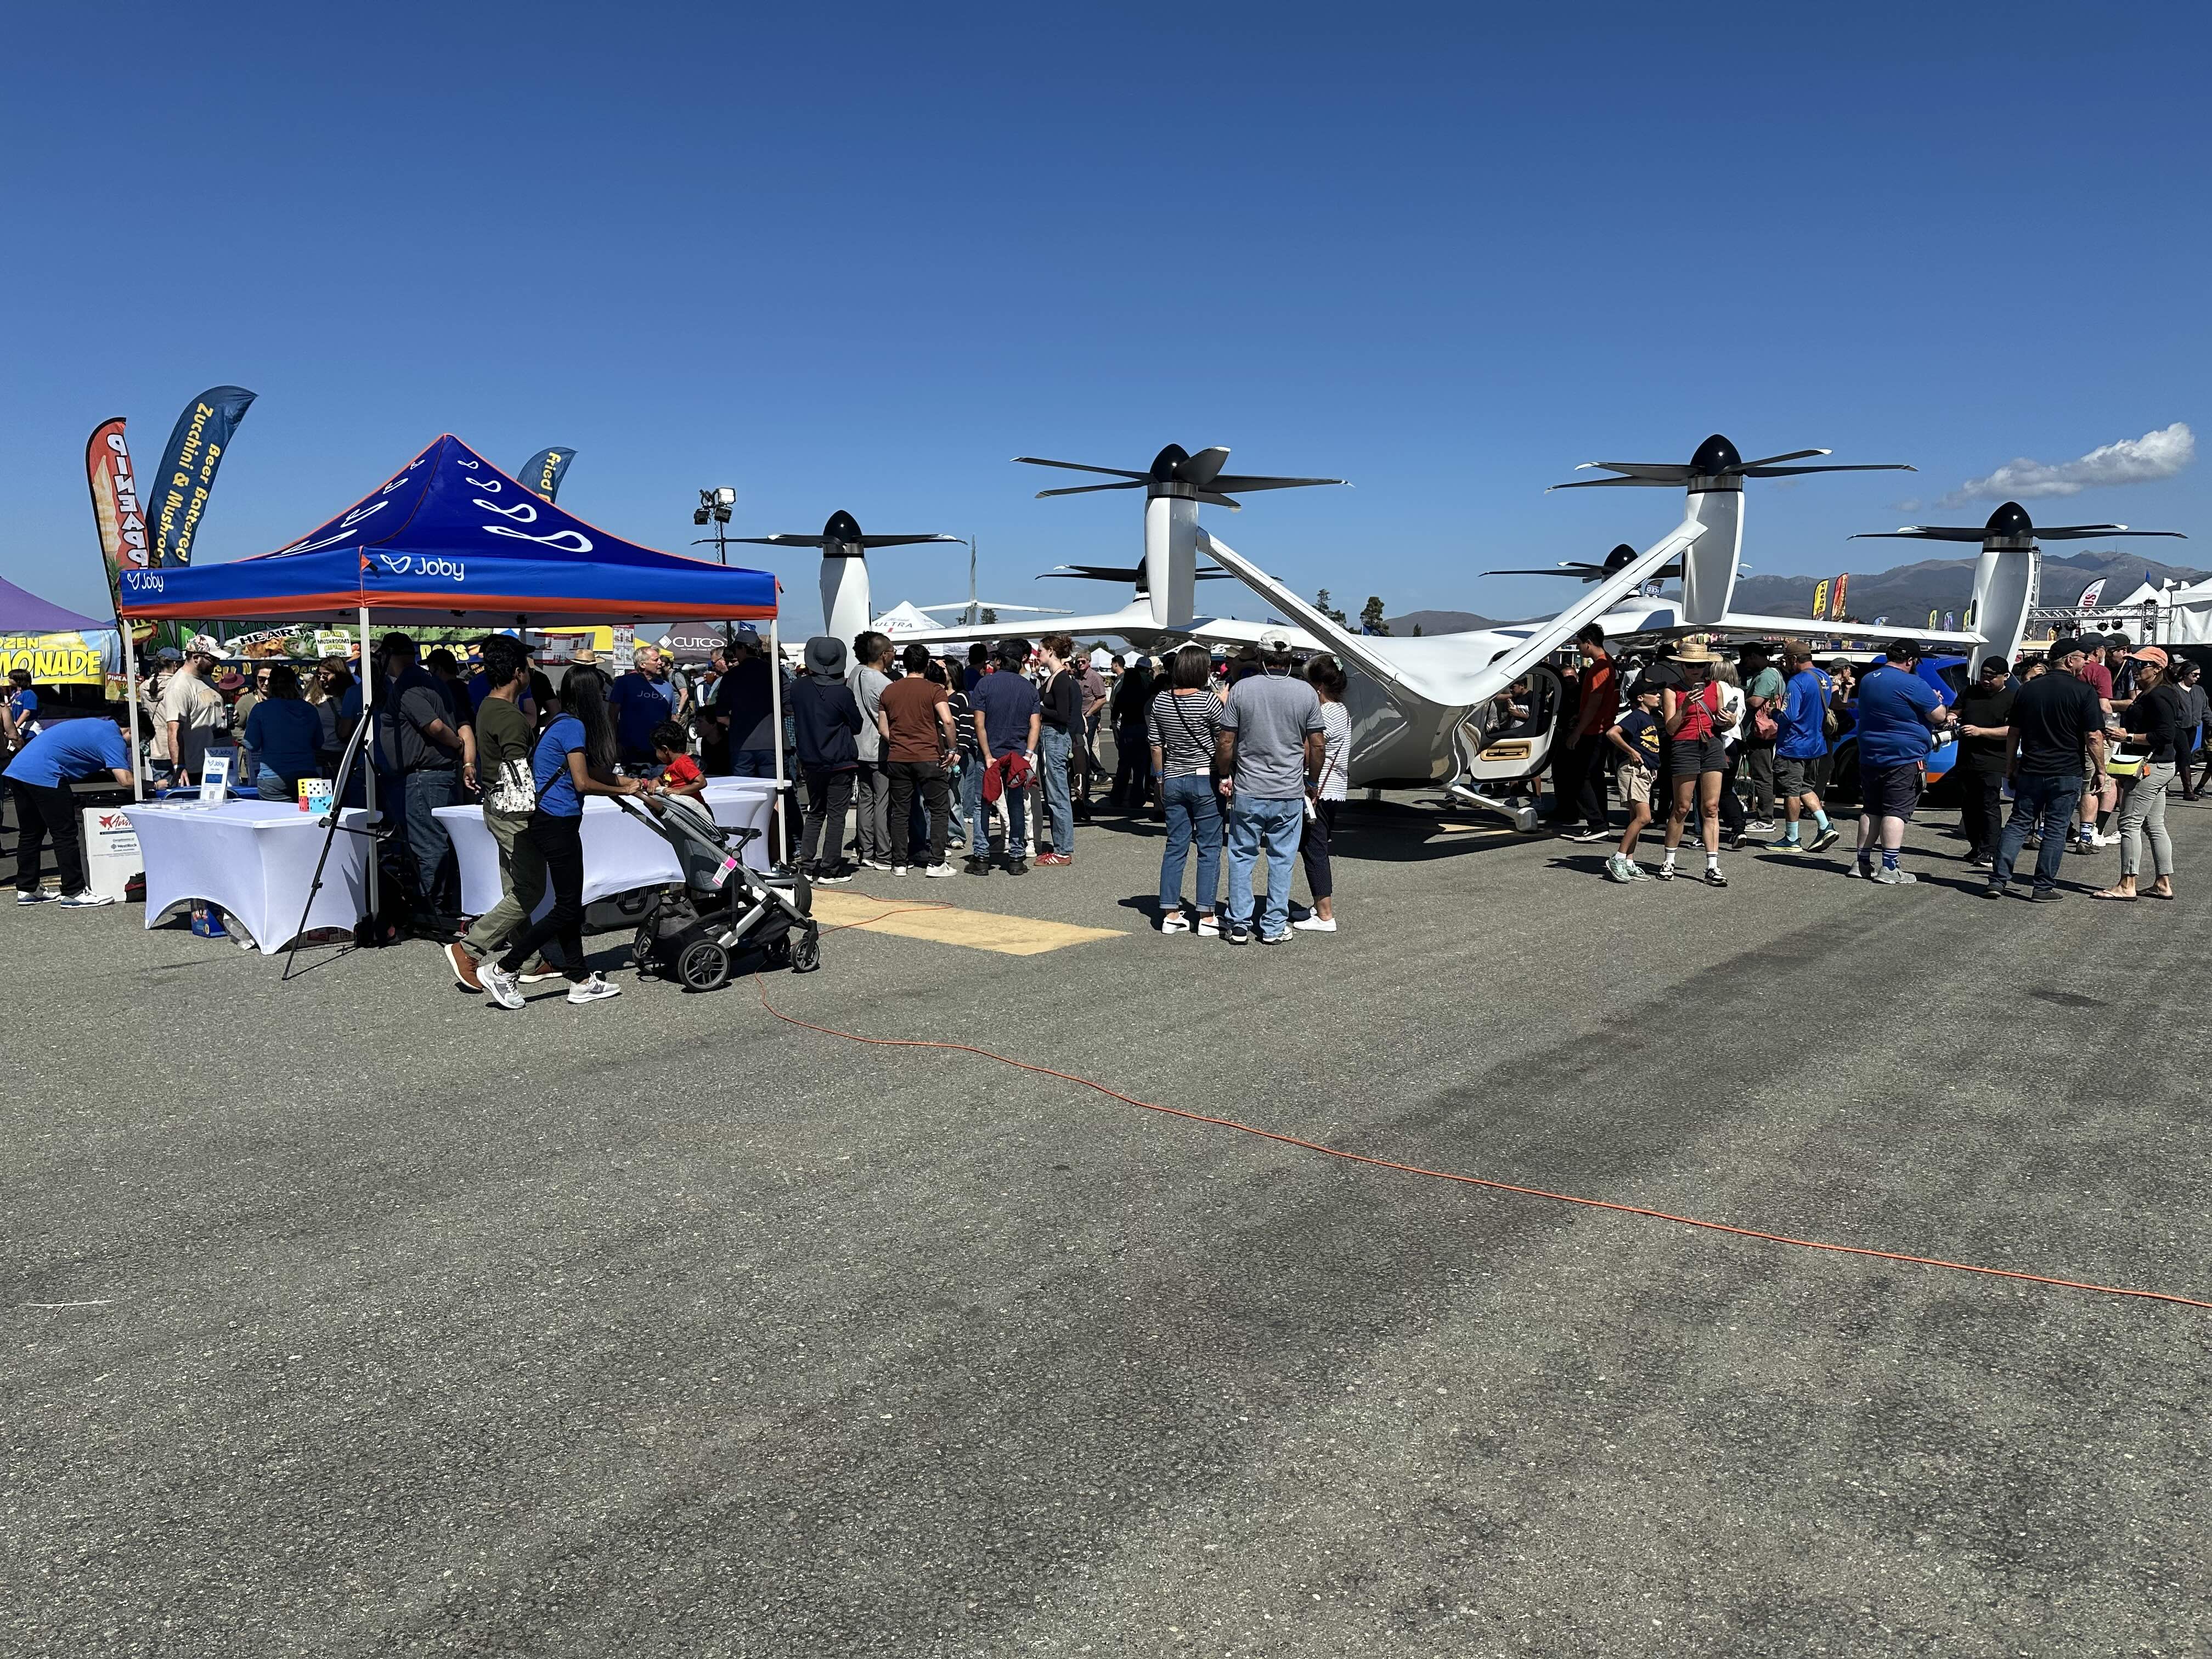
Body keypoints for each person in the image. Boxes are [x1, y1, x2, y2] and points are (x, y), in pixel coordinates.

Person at [478, 671, 644, 1009]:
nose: (602, 700)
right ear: (588, 696)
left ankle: (580, 979)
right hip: (557, 823)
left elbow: (591, 772)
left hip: (549, 821)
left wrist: (631, 783)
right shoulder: (574, 727)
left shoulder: (560, 722)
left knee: (570, 903)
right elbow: (584, 783)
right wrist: (621, 789)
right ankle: (504, 969)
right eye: (599, 693)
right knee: (568, 906)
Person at [446, 635, 557, 992]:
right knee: (531, 888)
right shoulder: (510, 717)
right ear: (517, 673)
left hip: (497, 805)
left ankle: (528, 959)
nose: (530, 673)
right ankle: (469, 948)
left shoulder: (487, 707)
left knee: (515, 885)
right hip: (514, 810)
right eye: (527, 668)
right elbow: (519, 771)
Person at [1215, 636, 1324, 944]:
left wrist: (1225, 774)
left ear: (1261, 657)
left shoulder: (1242, 690)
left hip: (1250, 787)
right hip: (1288, 789)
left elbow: (1226, 740)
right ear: (1290, 658)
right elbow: (1317, 744)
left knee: (1241, 855)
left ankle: (1238, 922)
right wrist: (1312, 782)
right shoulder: (1305, 693)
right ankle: (1274, 925)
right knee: (1282, 859)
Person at [1987, 639, 2108, 902]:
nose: (2086, 663)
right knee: (2056, 827)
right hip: (2066, 770)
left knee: (2018, 823)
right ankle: (2042, 887)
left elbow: (2013, 733)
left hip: (2031, 767)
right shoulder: (2083, 692)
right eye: (2081, 658)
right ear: (2069, 660)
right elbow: (2094, 736)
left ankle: (1998, 880)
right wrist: (2101, 769)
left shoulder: (2027, 690)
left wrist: (2010, 764)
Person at [366, 633, 470, 920]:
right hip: (437, 775)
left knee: (428, 843)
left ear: (388, 655)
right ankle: (442, 902)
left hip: (425, 777)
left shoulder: (409, 686)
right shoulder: (432, 682)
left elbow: (435, 726)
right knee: (438, 841)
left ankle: (432, 907)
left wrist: (456, 744)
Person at [4, 707, 134, 907]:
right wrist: (152, 785)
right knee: (64, 833)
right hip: (46, 774)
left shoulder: (95, 725)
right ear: (131, 730)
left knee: (31, 833)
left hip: (18, 770)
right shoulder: (113, 738)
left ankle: (27, 888)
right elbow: (125, 780)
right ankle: (74, 891)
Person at [1849, 641, 1952, 885]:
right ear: (1910, 661)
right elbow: (1938, 715)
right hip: (1904, 756)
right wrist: (1936, 701)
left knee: (1871, 808)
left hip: (1871, 752)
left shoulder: (1868, 679)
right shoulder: (1913, 683)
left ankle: (1861, 862)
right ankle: (1889, 866)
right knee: (1896, 810)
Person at [2095, 645, 2181, 901]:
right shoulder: (2155, 693)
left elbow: (2165, 734)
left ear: (2158, 669)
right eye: (2134, 664)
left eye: (2141, 665)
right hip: (2159, 765)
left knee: (2129, 823)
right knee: (2154, 825)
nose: (2136, 669)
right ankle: (2162, 883)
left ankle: (2127, 883)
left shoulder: (2159, 696)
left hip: (2149, 767)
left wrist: (2128, 735)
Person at [1150, 644, 1226, 933]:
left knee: (1176, 845)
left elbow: (1156, 744)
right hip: (1205, 778)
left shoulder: (1160, 700)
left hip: (1172, 777)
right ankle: (1206, 915)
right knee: (1208, 848)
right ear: (1201, 670)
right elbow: (1224, 741)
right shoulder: (1209, 702)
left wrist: (1159, 778)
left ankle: (1170, 912)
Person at [1645, 641, 1729, 886]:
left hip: (1711, 744)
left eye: (1701, 665)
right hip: (1684, 746)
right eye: (1691, 666)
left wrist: (1730, 720)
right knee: (1681, 807)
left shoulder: (1716, 688)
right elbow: (1671, 728)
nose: (1696, 670)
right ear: (1682, 666)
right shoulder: (1672, 691)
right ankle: (1669, 860)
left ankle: (1712, 865)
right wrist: (1685, 706)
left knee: (1711, 807)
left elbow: (1722, 723)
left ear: (1707, 666)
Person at [877, 641, 958, 877]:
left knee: (900, 810)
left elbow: (884, 729)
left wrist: (901, 741)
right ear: (926, 664)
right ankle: (936, 862)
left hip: (899, 756)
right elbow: (948, 720)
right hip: (929, 755)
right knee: (939, 808)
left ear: (904, 663)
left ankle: (899, 862)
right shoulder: (934, 690)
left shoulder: (889, 690)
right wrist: (952, 748)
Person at [791, 636, 863, 883]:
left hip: (810, 759)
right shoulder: (842, 693)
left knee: (815, 811)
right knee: (836, 815)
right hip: (840, 759)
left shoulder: (799, 687)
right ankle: (830, 868)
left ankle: (807, 865)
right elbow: (857, 724)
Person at [968, 639, 1041, 873]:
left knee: (983, 805)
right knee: (1016, 804)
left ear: (999, 660)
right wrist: (1029, 754)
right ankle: (1017, 858)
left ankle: (981, 858)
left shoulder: (985, 685)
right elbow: (1035, 725)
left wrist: (987, 755)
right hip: (1017, 755)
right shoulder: (1029, 688)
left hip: (991, 754)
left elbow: (979, 723)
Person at [1295, 654, 1351, 932]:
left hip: (1318, 790)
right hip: (1335, 788)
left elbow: (1312, 749)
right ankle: (1319, 905)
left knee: (1314, 849)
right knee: (1317, 847)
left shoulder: (1325, 714)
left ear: (1317, 686)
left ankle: (1326, 915)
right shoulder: (1341, 710)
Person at [1769, 643, 1841, 853]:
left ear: (1794, 659)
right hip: (1816, 744)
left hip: (1794, 744)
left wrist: (1774, 713)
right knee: (1805, 788)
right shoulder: (1823, 677)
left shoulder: (1797, 682)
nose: (1786, 664)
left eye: (1786, 660)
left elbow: (1789, 715)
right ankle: (1825, 825)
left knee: (1791, 791)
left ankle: (1792, 838)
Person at [1558, 624, 1621, 843]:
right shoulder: (1609, 664)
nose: (1579, 649)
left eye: (1579, 644)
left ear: (1588, 643)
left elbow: (1595, 702)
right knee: (1594, 777)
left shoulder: (1600, 668)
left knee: (1579, 776)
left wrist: (1577, 732)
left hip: (1595, 730)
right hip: (1600, 726)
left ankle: (1596, 822)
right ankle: (1600, 822)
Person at [1953, 656, 2016, 867]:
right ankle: (1976, 847)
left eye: (1992, 676)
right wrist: (1951, 717)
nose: (1986, 680)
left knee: (1988, 805)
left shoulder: (2011, 698)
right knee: (1968, 806)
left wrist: (1981, 732)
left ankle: (1990, 850)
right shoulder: (1970, 692)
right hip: (1966, 759)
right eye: (1984, 675)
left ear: (2005, 677)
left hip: (1993, 760)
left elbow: (2012, 731)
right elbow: (1955, 710)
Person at [1603, 684, 1664, 881]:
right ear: (1640, 698)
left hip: (1645, 772)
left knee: (1635, 820)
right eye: (1653, 693)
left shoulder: (1650, 718)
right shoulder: (1636, 716)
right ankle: (1618, 858)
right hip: (1633, 771)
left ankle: (1629, 862)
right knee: (1644, 817)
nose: (1658, 695)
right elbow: (1612, 733)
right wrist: (1631, 751)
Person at [847, 631, 895, 870]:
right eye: (893, 650)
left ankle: (866, 849)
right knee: (882, 801)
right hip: (878, 748)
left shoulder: (855, 674)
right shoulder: (881, 682)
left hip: (857, 746)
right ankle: (883, 851)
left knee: (865, 800)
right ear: (884, 655)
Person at [242, 665, 323, 801]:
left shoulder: (261, 709)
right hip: (308, 774)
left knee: (276, 821)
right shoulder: (310, 709)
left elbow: (252, 745)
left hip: (273, 779)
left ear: (272, 685)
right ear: (294, 684)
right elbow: (319, 743)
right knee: (311, 820)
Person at [1034, 634, 1081, 865]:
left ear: (1051, 651)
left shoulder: (1062, 679)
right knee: (1054, 793)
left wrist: (1042, 711)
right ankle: (1060, 846)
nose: (1038, 655)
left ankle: (1063, 850)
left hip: (1055, 737)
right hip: (1050, 737)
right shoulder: (1054, 677)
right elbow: (1036, 697)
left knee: (1058, 795)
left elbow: (1063, 715)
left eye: (1041, 651)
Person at [713, 629, 781, 778]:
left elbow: (721, 716)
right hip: (772, 742)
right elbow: (787, 707)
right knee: (774, 792)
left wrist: (737, 724)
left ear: (742, 648)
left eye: (736, 649)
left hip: (742, 743)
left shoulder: (731, 676)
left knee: (744, 791)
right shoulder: (775, 672)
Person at [158, 642, 227, 785]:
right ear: (196, 658)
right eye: (213, 659)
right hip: (197, 769)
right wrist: (179, 767)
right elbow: (173, 730)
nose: (217, 664)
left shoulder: (205, 678)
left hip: (218, 761)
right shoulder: (179, 687)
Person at [607, 645, 682, 771]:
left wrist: (677, 749)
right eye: (655, 660)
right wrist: (614, 744)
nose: (661, 663)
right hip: (630, 751)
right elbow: (612, 716)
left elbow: (673, 719)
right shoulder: (625, 683)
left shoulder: (666, 686)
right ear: (642, 664)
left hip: (660, 754)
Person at [1738, 642, 1785, 833]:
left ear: (1755, 656)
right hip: (1765, 730)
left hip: (1760, 733)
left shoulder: (1767, 675)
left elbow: (1756, 701)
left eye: (1748, 660)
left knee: (1762, 776)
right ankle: (1764, 816)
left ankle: (1766, 819)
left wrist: (1739, 697)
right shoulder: (1772, 674)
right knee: (1762, 774)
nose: (1746, 664)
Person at [1108, 655, 1156, 812]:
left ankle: (1117, 797)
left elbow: (1114, 715)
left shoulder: (1123, 694)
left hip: (1126, 730)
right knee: (1140, 768)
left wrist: (1116, 729)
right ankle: (1137, 798)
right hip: (1142, 730)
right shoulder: (1144, 694)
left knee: (1124, 765)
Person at [2177, 660, 2210, 799]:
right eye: (2195, 674)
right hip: (2178, 727)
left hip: (2193, 728)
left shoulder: (2199, 691)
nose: (2197, 677)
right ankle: (2188, 791)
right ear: (2185, 674)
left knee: (2180, 758)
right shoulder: (2175, 690)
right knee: (2184, 756)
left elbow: (2205, 710)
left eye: (2199, 675)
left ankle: (2163, 786)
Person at [651, 721, 707, 799]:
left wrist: (679, 791)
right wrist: (655, 780)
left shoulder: (683, 763)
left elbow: (701, 782)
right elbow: (663, 779)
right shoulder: (671, 765)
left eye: (656, 750)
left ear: (665, 749)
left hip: (693, 809)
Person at [3, 668, 40, 753]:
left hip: (30, 731)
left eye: (11, 678)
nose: (9, 680)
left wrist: (14, 728)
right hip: (21, 731)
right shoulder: (16, 694)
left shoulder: (29, 694)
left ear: (18, 680)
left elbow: (26, 713)